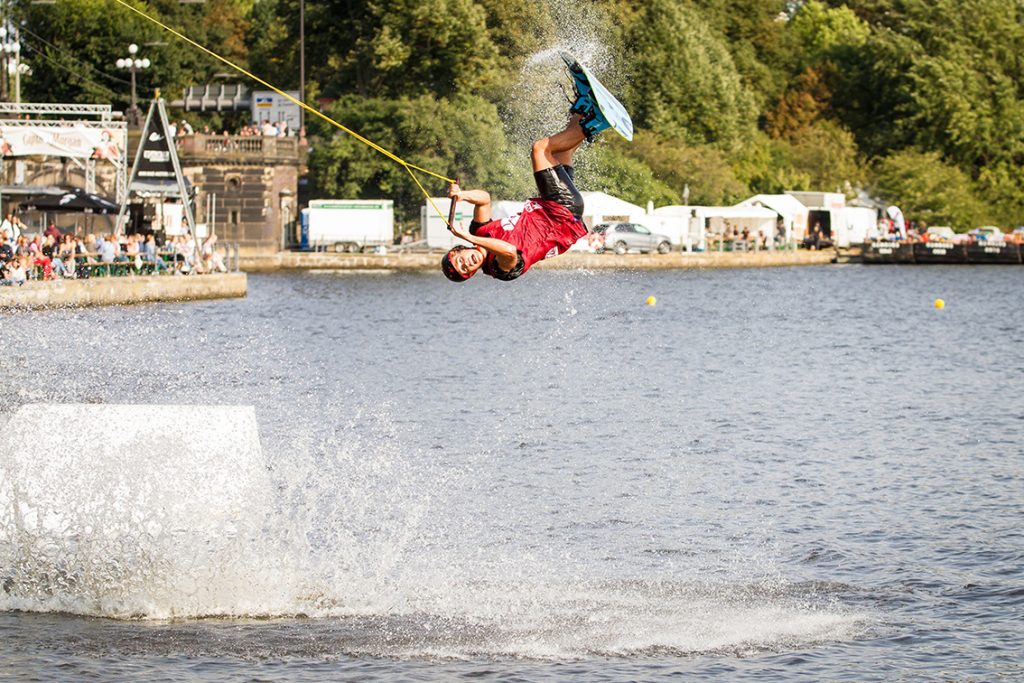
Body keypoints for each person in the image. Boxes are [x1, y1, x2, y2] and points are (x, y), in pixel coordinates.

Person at [440, 112, 594, 282]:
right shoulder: (499, 269)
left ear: (460, 250)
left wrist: (462, 195)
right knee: (540, 149)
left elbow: (484, 199)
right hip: (562, 212)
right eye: (465, 270)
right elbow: (509, 251)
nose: (466, 264)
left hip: (552, 208)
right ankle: (592, 122)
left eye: (460, 260)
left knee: (562, 153)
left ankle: (582, 112)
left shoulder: (479, 231)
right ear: (471, 273)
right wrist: (469, 238)